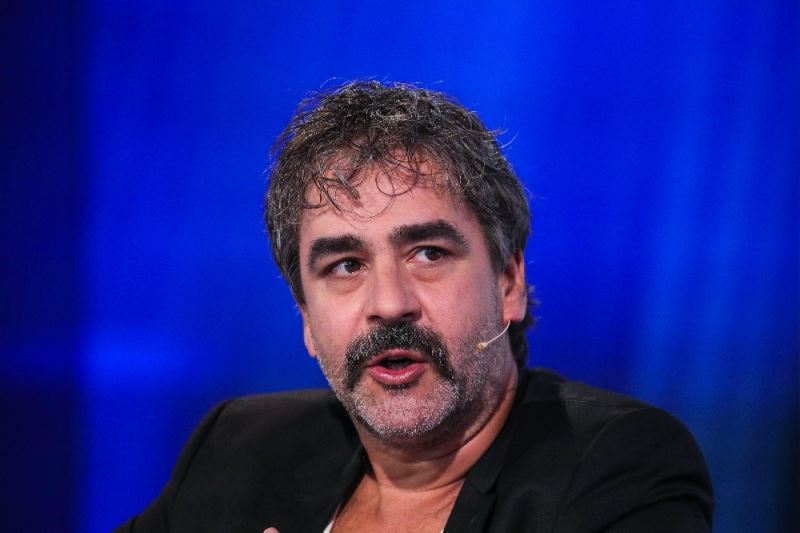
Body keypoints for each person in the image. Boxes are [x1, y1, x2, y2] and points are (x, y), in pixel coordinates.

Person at [115, 81, 713, 532]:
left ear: (508, 281)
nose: (390, 304)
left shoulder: (617, 467)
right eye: (345, 265)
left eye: (428, 253)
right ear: (305, 318)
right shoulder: (239, 448)